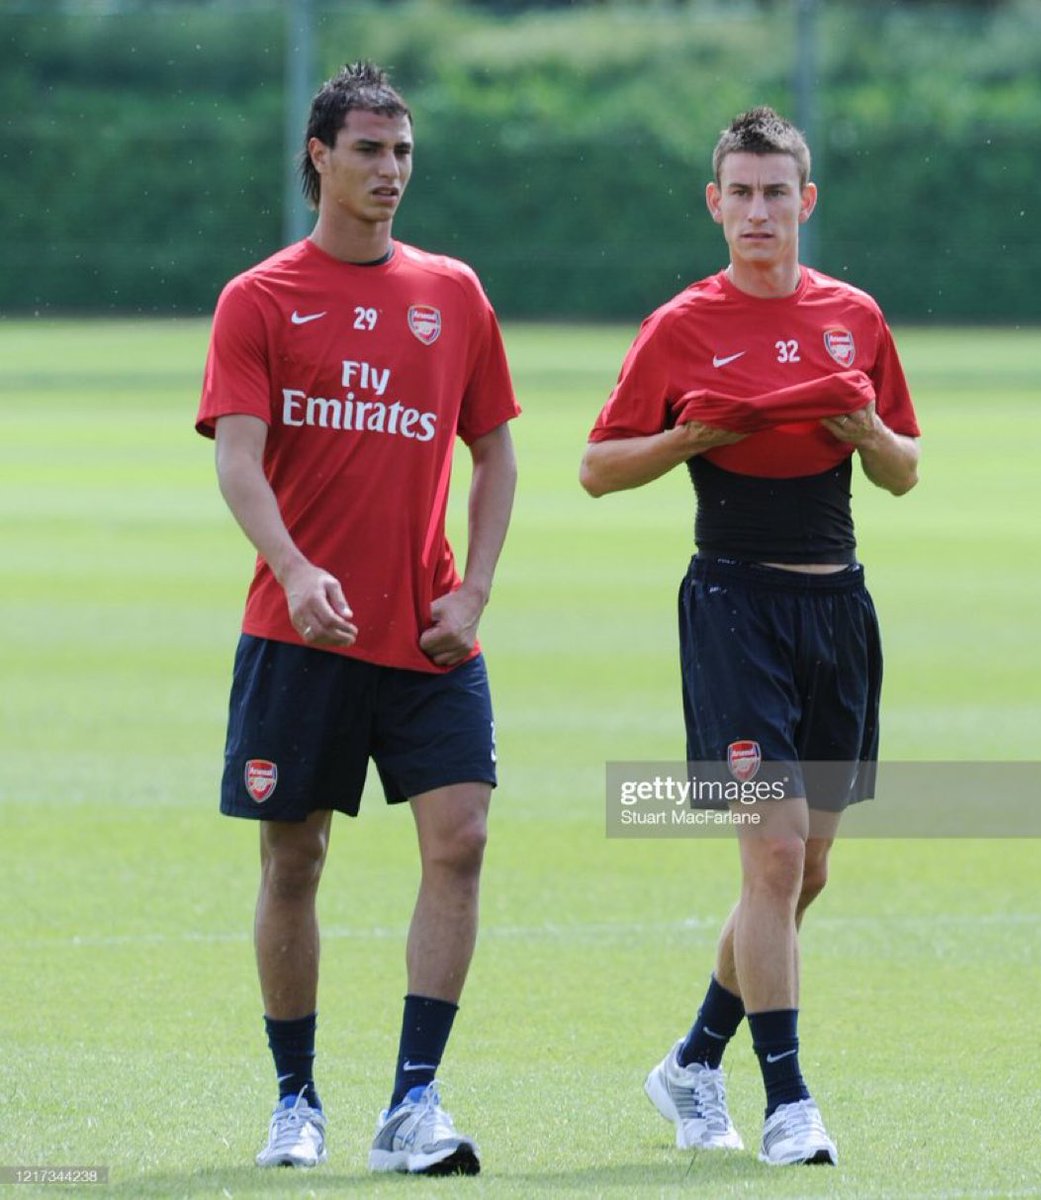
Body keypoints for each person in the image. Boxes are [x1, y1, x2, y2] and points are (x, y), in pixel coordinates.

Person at [196, 61, 518, 1176]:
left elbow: (496, 451)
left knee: (463, 843)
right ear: (319, 158)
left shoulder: (454, 293)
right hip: (301, 634)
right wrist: (290, 569)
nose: (392, 172)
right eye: (371, 151)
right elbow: (239, 464)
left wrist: (472, 588)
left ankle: (413, 1105)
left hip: (429, 635)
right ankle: (296, 1100)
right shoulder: (259, 299)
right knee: (296, 861)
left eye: (404, 153)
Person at [580, 107, 919, 1167]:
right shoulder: (682, 324)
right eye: (743, 191)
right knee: (771, 854)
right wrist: (690, 435)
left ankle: (690, 1063)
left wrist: (868, 434)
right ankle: (788, 1104)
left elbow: (904, 466)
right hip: (733, 607)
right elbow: (597, 465)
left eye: (779, 192)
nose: (760, 210)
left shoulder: (854, 317)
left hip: (839, 610)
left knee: (804, 873)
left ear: (805, 203)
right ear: (714, 202)